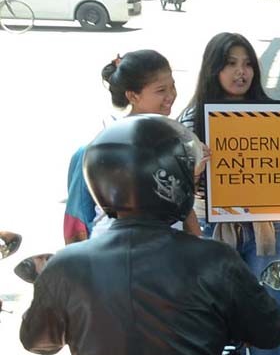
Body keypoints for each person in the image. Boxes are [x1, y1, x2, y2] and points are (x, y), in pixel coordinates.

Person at [20, 115, 280, 355]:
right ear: (172, 179)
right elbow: (269, 331)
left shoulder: (65, 267)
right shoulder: (212, 259)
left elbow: (37, 340)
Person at [179, 32, 280, 355]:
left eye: (247, 63)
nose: (240, 71)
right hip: (216, 233)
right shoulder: (190, 122)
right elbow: (176, 188)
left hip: (273, 233)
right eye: (230, 63)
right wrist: (197, 168)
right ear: (213, 69)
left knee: (268, 319)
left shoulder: (274, 117)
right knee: (220, 323)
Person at [64, 50, 201, 244]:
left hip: (168, 249)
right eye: (161, 90)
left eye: (173, 86)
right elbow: (76, 219)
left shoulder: (176, 139)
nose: (171, 95)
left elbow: (181, 203)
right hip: (114, 252)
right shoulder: (101, 147)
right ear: (132, 96)